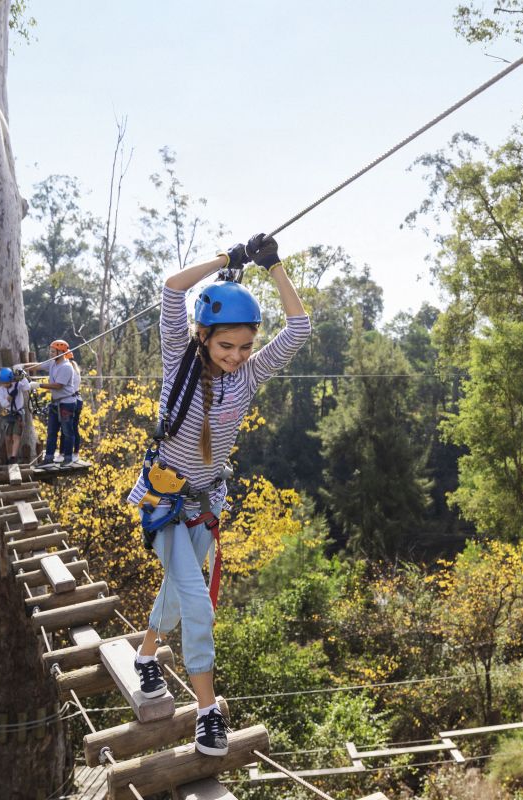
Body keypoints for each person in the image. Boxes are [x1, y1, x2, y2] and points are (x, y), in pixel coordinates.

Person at [127, 233, 309, 756]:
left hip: (207, 502)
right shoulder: (177, 364)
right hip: (163, 502)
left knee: (177, 597)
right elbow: (170, 291)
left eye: (245, 345)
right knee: (198, 604)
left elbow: (298, 328)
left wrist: (273, 264)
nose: (236, 355)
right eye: (226, 345)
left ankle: (146, 655)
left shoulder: (248, 376)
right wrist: (227, 260)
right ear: (204, 337)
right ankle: (208, 712)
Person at [25, 339, 79, 469]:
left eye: (53, 351)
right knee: (51, 431)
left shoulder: (66, 367)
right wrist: (22, 367)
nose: (50, 353)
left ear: (61, 352)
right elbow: (38, 365)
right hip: (56, 403)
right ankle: (48, 458)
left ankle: (68, 458)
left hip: (66, 403)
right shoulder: (53, 363)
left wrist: (39, 385)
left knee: (67, 431)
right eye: (51, 351)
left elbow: (58, 386)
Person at [0, 367, 32, 465]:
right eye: (3, 383)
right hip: (8, 414)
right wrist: (9, 397)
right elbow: (3, 404)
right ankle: (8, 456)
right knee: (8, 437)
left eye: (7, 383)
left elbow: (27, 387)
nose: (5, 385)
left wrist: (22, 376)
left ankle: (13, 457)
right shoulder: (0, 390)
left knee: (16, 436)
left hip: (18, 414)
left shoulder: (17, 385)